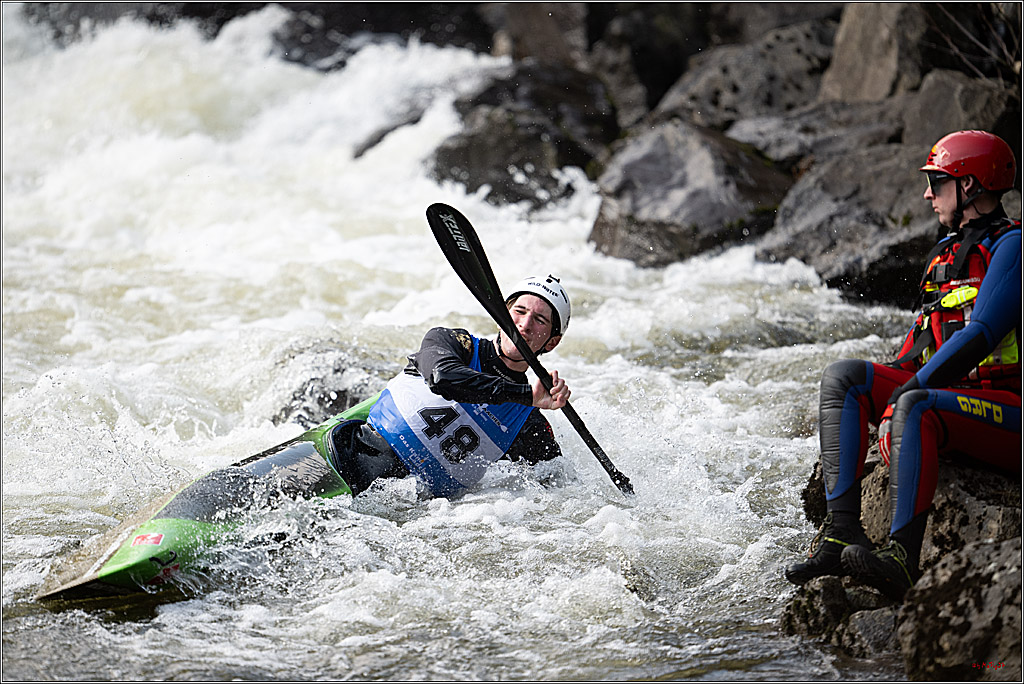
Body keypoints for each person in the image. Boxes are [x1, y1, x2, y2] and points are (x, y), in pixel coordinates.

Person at [785, 130, 1021, 600]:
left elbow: (982, 335)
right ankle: (840, 533)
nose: (928, 194)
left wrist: (903, 395)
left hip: (1010, 409)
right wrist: (895, 385)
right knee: (845, 378)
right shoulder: (949, 255)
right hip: (954, 398)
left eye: (937, 181)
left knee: (913, 404)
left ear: (969, 186)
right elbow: (921, 345)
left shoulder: (1013, 247)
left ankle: (901, 559)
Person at [327, 275, 573, 497]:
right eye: (519, 311)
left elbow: (559, 489)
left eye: (539, 320)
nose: (525, 324)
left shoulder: (528, 421)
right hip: (352, 456)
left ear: (551, 342)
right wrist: (522, 394)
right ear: (500, 317)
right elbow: (442, 378)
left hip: (411, 507)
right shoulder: (455, 343)